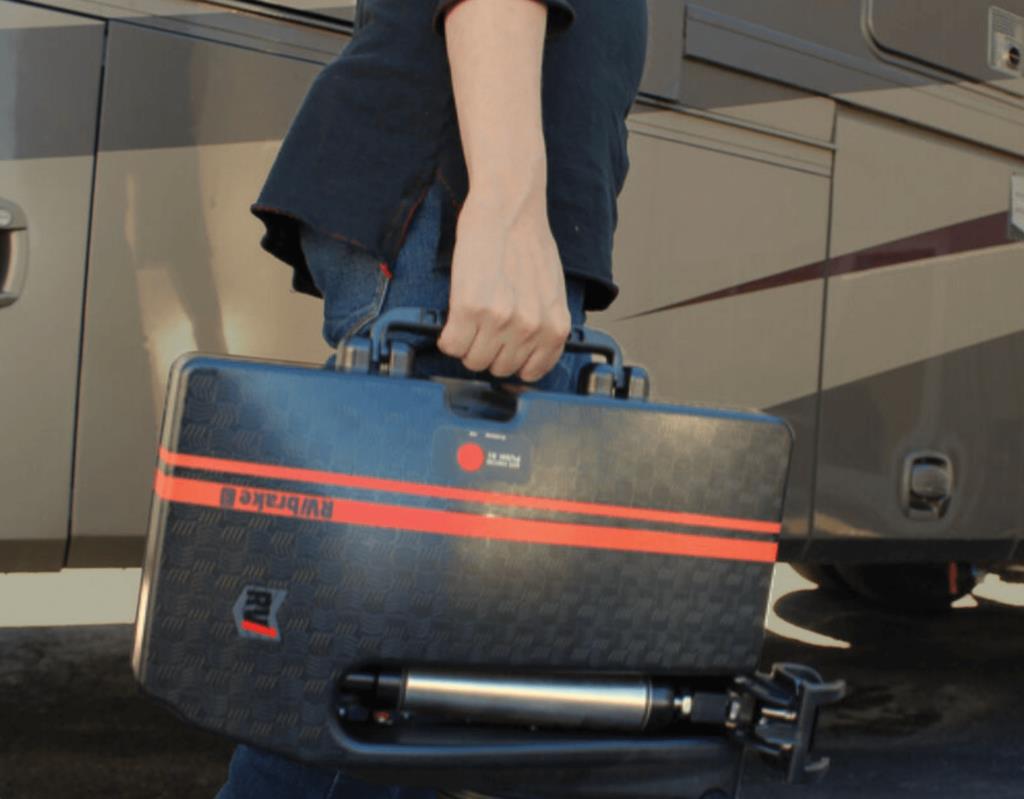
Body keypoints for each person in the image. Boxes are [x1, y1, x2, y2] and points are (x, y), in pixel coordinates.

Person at [217, 1, 647, 796]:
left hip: (465, 205)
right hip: (449, 206)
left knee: (399, 677)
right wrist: (506, 211)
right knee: (387, 684)